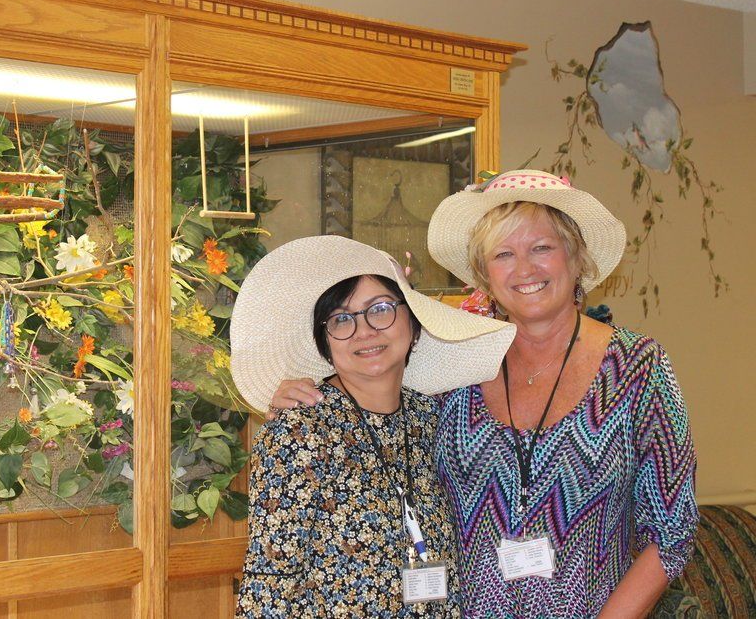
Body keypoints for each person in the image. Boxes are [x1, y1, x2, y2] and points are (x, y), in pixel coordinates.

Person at [269, 171, 698, 618]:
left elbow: (672, 532)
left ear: (576, 258)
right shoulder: (453, 367)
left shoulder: (636, 367)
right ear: (484, 275)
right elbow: (374, 403)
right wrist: (305, 395)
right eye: (504, 254)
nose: (525, 269)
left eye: (542, 248)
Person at [231, 235, 515, 618]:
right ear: (325, 343)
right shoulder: (301, 429)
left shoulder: (431, 417)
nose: (364, 331)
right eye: (342, 319)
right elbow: (269, 580)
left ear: (413, 325)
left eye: (379, 309)